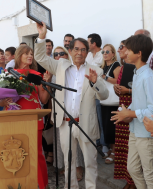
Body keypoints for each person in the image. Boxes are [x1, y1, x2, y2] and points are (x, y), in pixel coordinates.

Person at [35, 22, 109, 189]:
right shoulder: (60, 66)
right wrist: (41, 36)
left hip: (86, 124)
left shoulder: (95, 70)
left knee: (90, 163)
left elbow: (104, 95)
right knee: (69, 163)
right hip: (65, 123)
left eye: (83, 49)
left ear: (87, 52)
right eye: (76, 49)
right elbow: (40, 57)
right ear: (70, 50)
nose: (79, 52)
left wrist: (96, 83)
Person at [0, 45, 51, 189]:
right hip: (14, 117)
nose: (30, 56)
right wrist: (5, 101)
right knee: (18, 154)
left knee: (36, 153)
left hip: (35, 117)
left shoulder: (37, 74)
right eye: (26, 53)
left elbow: (44, 99)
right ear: (19, 55)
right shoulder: (9, 73)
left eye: (31, 54)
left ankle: (41, 185)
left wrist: (48, 83)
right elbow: (1, 101)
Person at [111, 34, 153, 189]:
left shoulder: (148, 77)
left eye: (128, 50)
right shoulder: (136, 74)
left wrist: (130, 114)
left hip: (146, 133)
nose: (125, 52)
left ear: (139, 53)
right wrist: (126, 112)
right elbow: (137, 104)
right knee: (132, 168)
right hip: (135, 130)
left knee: (150, 174)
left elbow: (152, 110)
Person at [52, 46, 85, 181]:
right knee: (62, 143)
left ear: (67, 55)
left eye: (62, 53)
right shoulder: (53, 70)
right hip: (59, 110)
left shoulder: (73, 70)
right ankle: (65, 168)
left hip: (74, 110)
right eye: (56, 54)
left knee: (75, 144)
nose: (59, 56)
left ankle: (78, 168)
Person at [113, 41, 136, 189]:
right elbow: (122, 88)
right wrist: (117, 89)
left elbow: (144, 92)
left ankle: (133, 182)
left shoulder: (140, 68)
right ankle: (128, 180)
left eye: (122, 47)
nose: (119, 49)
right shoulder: (124, 67)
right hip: (122, 108)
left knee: (132, 149)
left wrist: (127, 91)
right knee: (122, 148)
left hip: (133, 111)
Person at [100, 44, 121, 164]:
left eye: (108, 51)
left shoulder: (116, 65)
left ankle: (114, 152)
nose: (105, 54)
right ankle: (111, 149)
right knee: (107, 128)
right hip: (105, 101)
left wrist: (105, 77)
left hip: (113, 102)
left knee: (113, 128)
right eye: (103, 52)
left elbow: (118, 81)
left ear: (113, 53)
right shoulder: (104, 67)